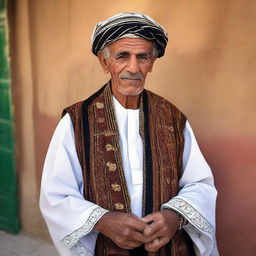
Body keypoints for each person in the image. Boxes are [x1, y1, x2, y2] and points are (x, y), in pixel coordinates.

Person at [40, 12, 219, 256]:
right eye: (122, 56)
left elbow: (200, 184)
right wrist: (102, 221)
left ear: (152, 63)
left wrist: (174, 217)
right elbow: (56, 195)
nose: (133, 68)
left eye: (142, 57)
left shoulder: (173, 119)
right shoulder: (76, 121)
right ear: (105, 63)